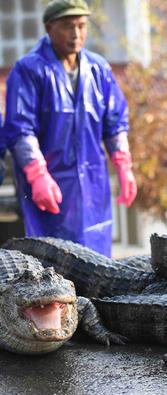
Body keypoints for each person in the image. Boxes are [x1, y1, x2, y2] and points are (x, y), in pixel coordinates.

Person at [1, 0, 137, 257]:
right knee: (51, 262)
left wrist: (123, 164)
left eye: (81, 26)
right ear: (49, 28)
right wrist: (37, 174)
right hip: (49, 185)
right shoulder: (29, 70)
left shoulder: (98, 69)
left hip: (93, 182)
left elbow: (115, 122)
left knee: (95, 262)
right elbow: (21, 129)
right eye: (67, 26)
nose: (76, 34)